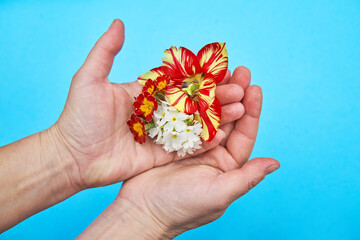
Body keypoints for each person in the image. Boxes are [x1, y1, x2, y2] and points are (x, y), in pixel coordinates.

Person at [0, 19, 280, 239]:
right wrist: (68, 150)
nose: (188, 92)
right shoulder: (168, 85)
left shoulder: (200, 101)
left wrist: (148, 216)